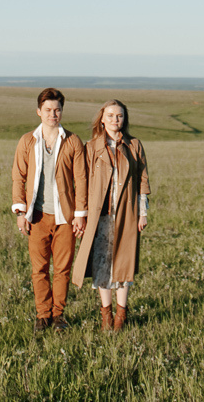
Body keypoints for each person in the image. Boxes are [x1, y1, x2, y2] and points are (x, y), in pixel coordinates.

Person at [11, 87, 87, 331]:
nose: (53, 114)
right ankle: (42, 316)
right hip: (37, 216)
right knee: (39, 269)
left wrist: (80, 215)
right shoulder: (27, 141)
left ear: (62, 112)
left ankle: (58, 316)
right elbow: (18, 177)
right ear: (38, 112)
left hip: (65, 217)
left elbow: (81, 179)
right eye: (48, 110)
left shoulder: (73, 141)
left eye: (57, 110)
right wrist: (21, 213)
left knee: (62, 269)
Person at [72, 99, 150, 331]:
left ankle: (121, 315)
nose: (115, 120)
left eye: (120, 116)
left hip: (126, 213)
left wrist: (143, 212)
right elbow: (82, 183)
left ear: (124, 119)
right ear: (102, 119)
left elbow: (143, 181)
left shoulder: (134, 145)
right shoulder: (92, 147)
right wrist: (82, 214)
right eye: (111, 115)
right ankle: (106, 314)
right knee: (102, 262)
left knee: (123, 262)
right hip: (100, 215)